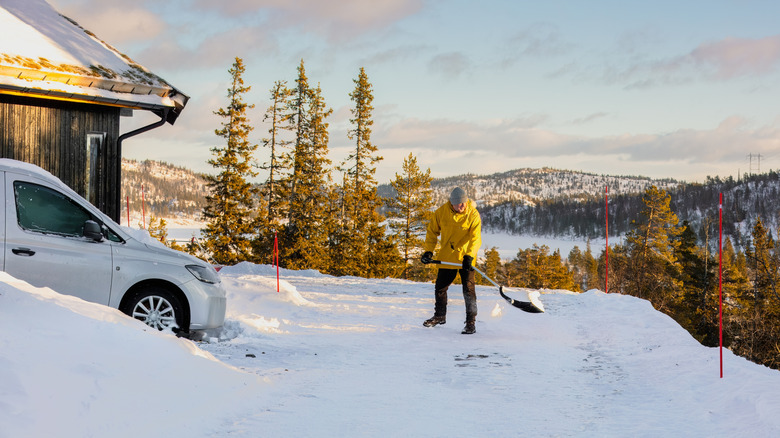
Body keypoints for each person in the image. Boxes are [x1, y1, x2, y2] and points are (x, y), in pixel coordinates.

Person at [420, 187, 482, 334]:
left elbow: (475, 238)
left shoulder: (473, 214)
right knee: (440, 288)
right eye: (458, 204)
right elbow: (432, 232)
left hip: (466, 259)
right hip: (448, 257)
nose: (462, 206)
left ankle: (470, 323)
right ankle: (440, 316)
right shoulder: (441, 212)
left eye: (464, 203)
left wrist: (469, 255)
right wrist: (428, 251)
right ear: (451, 203)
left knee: (469, 291)